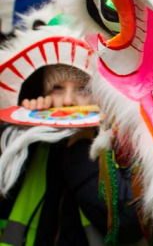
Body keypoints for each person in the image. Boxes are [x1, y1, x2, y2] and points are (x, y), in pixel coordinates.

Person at [0, 64, 143, 245]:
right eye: (57, 88)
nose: (68, 101)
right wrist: (20, 132)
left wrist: (81, 146)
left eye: (83, 89)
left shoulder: (126, 145)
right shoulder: (37, 142)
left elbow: (127, 225)